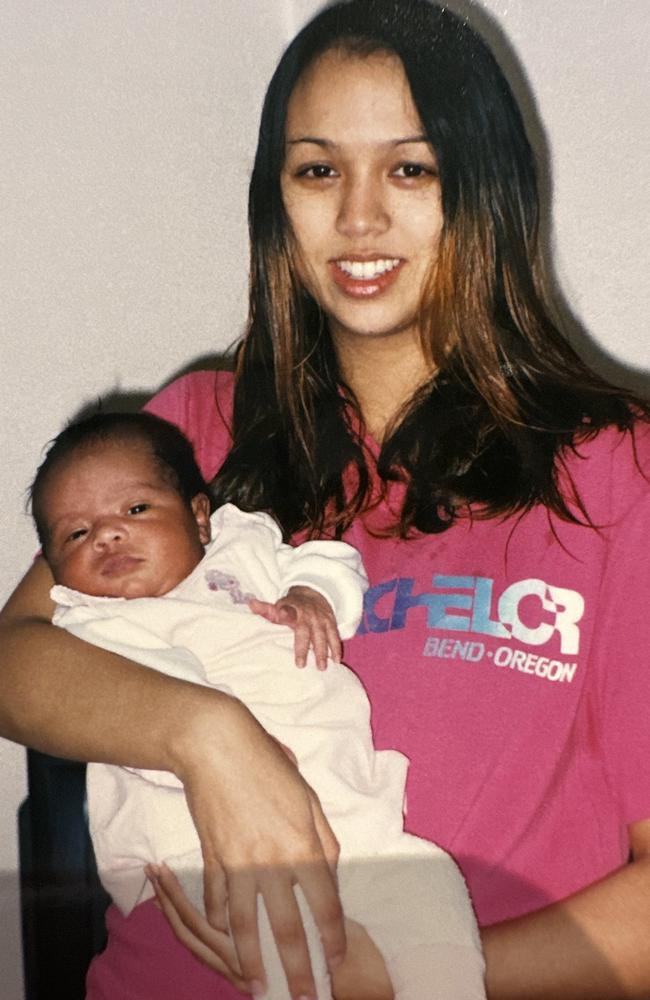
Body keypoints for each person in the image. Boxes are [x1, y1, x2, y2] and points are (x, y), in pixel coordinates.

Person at [2, 0, 650, 997]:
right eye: (317, 170)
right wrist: (207, 737)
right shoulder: (193, 433)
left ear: (484, 188)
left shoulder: (616, 474)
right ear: (276, 198)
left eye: (409, 168)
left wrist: (400, 981)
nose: (357, 219)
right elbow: (16, 658)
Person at [30, 409, 486, 1000]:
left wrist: (309, 594)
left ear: (199, 517)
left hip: (354, 825)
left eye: (135, 510)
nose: (108, 535)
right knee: (282, 943)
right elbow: (140, 714)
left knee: (430, 886)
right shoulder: (92, 625)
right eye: (76, 533)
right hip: (211, 849)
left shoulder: (242, 551)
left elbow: (331, 559)